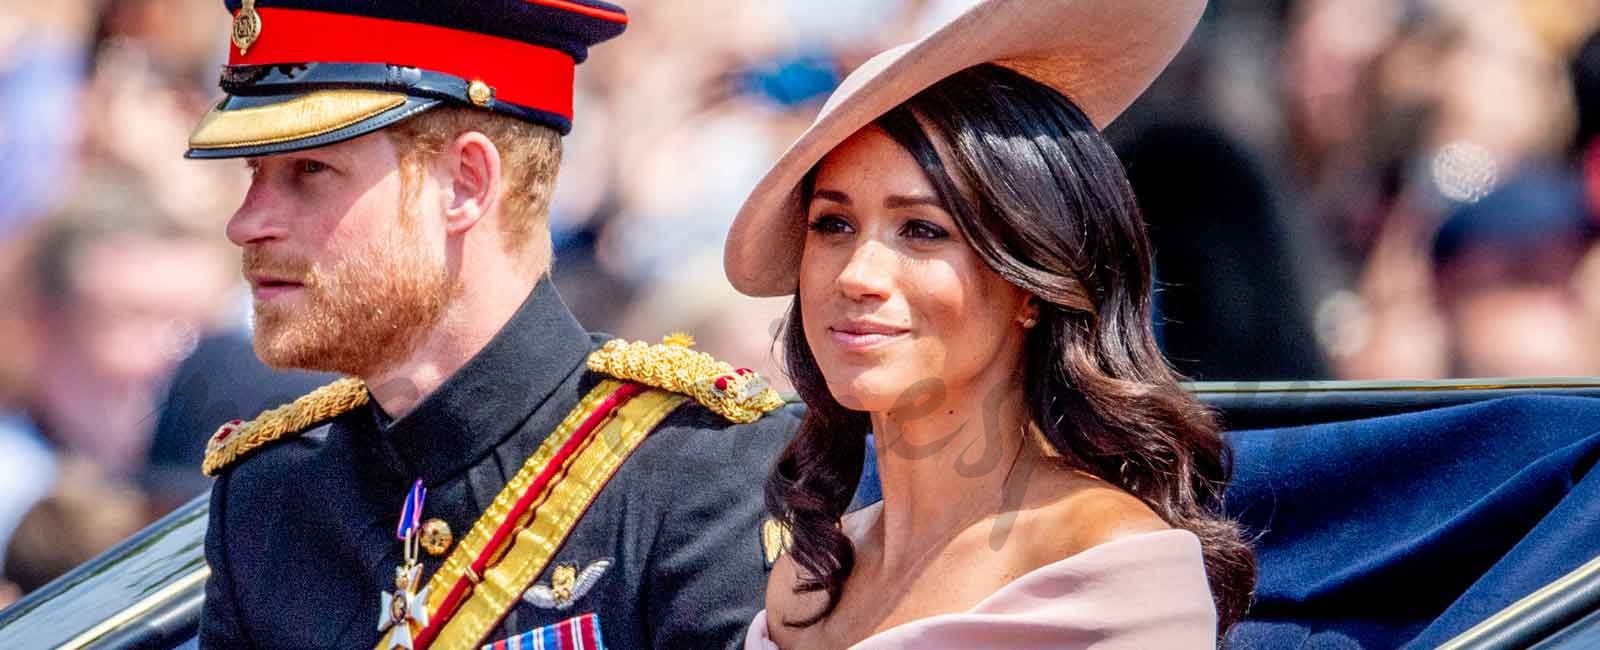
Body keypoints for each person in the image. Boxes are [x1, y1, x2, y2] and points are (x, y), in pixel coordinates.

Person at [184, 1, 798, 648]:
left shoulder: (701, 471)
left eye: (310, 170)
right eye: (256, 172)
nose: (247, 222)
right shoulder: (270, 496)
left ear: (465, 184)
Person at [722, 0, 1256, 647]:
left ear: (1031, 282)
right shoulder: (807, 578)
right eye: (833, 224)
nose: (856, 274)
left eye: (922, 230)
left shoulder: (1103, 560)